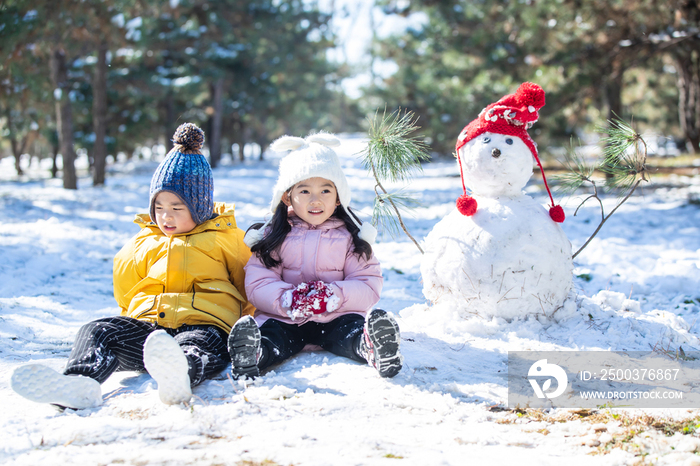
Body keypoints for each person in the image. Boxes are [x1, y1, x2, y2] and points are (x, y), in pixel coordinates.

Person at [10, 123, 253, 409]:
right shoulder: (143, 242)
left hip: (205, 323)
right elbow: (126, 286)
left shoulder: (227, 240)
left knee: (199, 346)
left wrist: (242, 325)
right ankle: (79, 382)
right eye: (159, 208)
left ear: (200, 206)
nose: (166, 217)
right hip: (149, 330)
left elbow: (248, 284)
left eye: (177, 208)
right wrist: (135, 318)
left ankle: (180, 374)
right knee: (97, 330)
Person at [228, 132, 403, 380]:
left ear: (338, 196)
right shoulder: (274, 235)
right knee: (273, 335)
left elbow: (367, 283)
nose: (316, 200)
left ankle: (372, 347)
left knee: (350, 332)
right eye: (305, 191)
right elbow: (259, 282)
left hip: (335, 316)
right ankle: (255, 353)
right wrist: (289, 299)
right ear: (287, 196)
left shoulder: (351, 236)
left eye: (325, 190)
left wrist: (334, 296)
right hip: (285, 318)